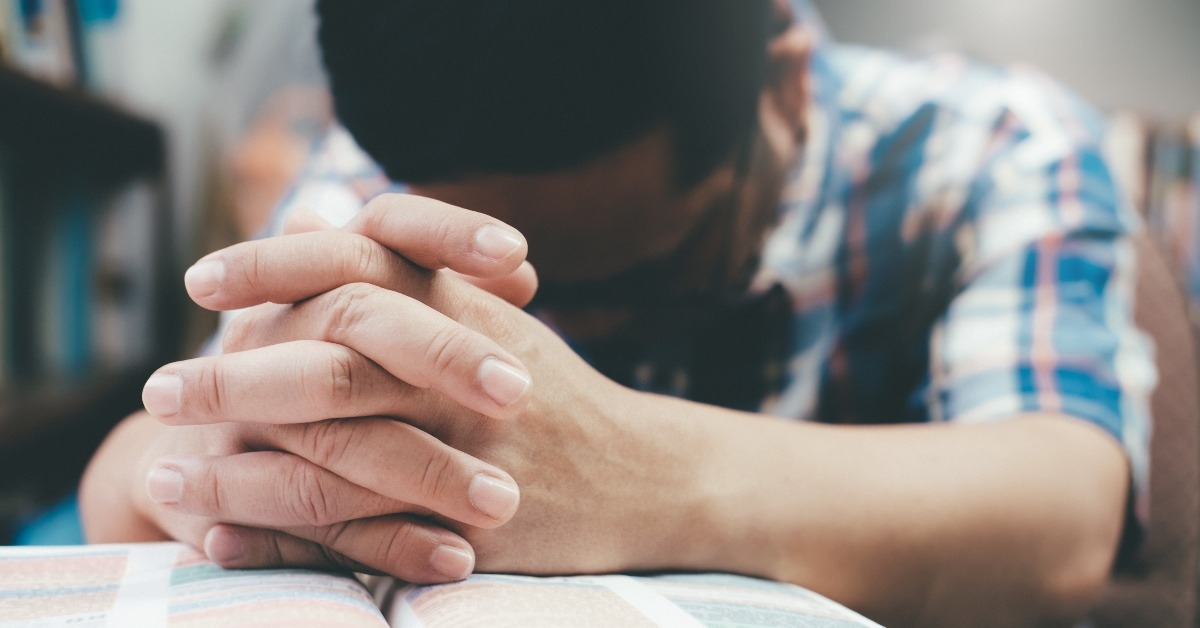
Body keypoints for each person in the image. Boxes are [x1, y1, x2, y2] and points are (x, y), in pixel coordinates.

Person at [79, 0, 1156, 625]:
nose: (563, 328)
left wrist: (631, 469)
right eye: (509, 277)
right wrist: (207, 460)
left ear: (783, 86)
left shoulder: (996, 146)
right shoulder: (388, 171)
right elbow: (135, 469)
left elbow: (1063, 514)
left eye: (642, 271)